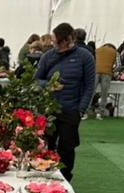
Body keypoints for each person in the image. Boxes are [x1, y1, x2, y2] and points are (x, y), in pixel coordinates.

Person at [35, 22, 95, 180]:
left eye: (57, 42)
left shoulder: (85, 56)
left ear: (68, 40)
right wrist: (48, 85)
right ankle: (43, 176)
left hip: (71, 110)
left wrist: (81, 109)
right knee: (46, 146)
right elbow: (36, 80)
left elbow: (90, 85)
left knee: (67, 148)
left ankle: (65, 178)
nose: (54, 45)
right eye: (53, 41)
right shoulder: (48, 56)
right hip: (49, 110)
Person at [94, 41, 117, 117]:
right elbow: (118, 65)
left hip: (96, 72)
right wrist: (113, 71)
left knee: (91, 92)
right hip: (107, 73)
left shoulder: (97, 50)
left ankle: (84, 112)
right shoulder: (115, 52)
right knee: (104, 93)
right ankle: (100, 113)